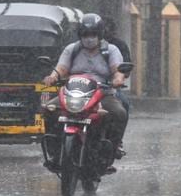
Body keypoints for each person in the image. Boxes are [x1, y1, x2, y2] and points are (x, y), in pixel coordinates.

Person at [43, 13, 129, 161]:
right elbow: (61, 68)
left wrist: (118, 79)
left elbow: (118, 70)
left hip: (102, 94)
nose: (89, 38)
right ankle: (53, 148)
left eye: (93, 34)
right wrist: (53, 76)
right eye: (85, 34)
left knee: (119, 113)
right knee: (48, 109)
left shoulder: (111, 50)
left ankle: (114, 147)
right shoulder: (72, 49)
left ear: (100, 34)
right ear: (80, 35)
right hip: (72, 93)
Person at [103, 18, 133, 116]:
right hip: (84, 86)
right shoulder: (78, 47)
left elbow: (125, 68)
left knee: (123, 105)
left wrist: (118, 78)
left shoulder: (119, 46)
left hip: (108, 87)